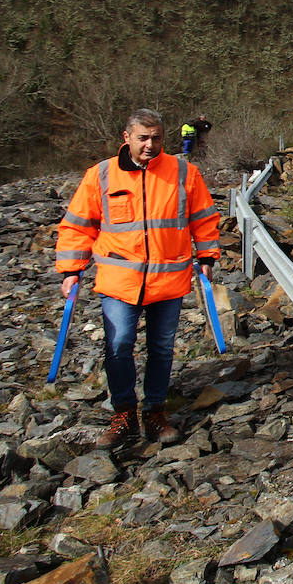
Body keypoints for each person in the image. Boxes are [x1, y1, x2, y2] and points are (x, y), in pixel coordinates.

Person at [55, 109, 222, 448]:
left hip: (168, 280)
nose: (150, 144)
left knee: (161, 349)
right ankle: (124, 413)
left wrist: (207, 256)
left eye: (156, 138)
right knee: (118, 346)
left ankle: (155, 412)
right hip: (119, 280)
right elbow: (78, 225)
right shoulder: (100, 175)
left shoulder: (183, 173)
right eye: (143, 138)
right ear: (127, 137)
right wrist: (72, 270)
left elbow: (203, 218)